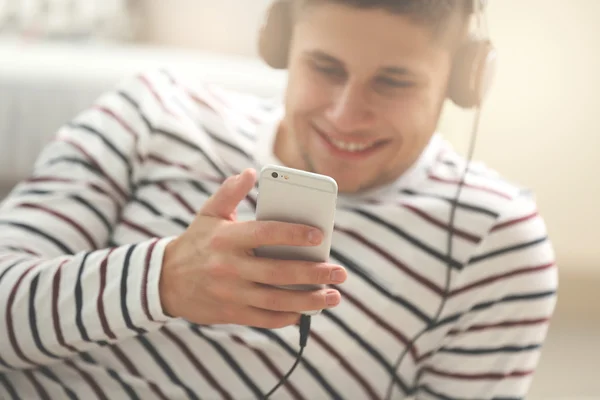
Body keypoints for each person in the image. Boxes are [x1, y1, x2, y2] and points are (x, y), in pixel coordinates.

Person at [0, 0, 558, 399]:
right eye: (325, 67)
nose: (345, 115)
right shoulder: (152, 112)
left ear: (461, 83)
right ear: (280, 44)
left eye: (393, 82)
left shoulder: (497, 243)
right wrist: (162, 280)